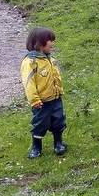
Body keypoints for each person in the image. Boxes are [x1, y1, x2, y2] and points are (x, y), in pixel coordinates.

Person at [21, 27, 66, 158]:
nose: (52, 43)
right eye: (49, 40)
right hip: (41, 102)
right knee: (40, 123)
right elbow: (28, 83)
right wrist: (34, 100)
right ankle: (36, 147)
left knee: (58, 121)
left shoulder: (50, 59)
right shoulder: (30, 62)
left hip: (55, 98)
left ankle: (58, 143)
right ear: (39, 42)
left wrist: (59, 90)